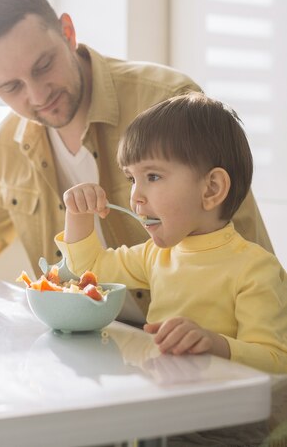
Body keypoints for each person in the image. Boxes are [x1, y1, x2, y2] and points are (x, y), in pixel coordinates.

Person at [0, 0, 273, 322]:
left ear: (67, 31)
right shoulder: (8, 143)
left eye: (43, 66)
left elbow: (246, 246)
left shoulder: (167, 100)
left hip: (187, 345)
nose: (38, 96)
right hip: (80, 339)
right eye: (10, 88)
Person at [56, 92, 287, 373]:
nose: (136, 196)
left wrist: (215, 344)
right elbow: (90, 270)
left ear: (211, 189)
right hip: (164, 400)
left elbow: (275, 363)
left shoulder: (255, 269)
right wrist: (78, 214)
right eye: (132, 179)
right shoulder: (157, 255)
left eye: (152, 176)